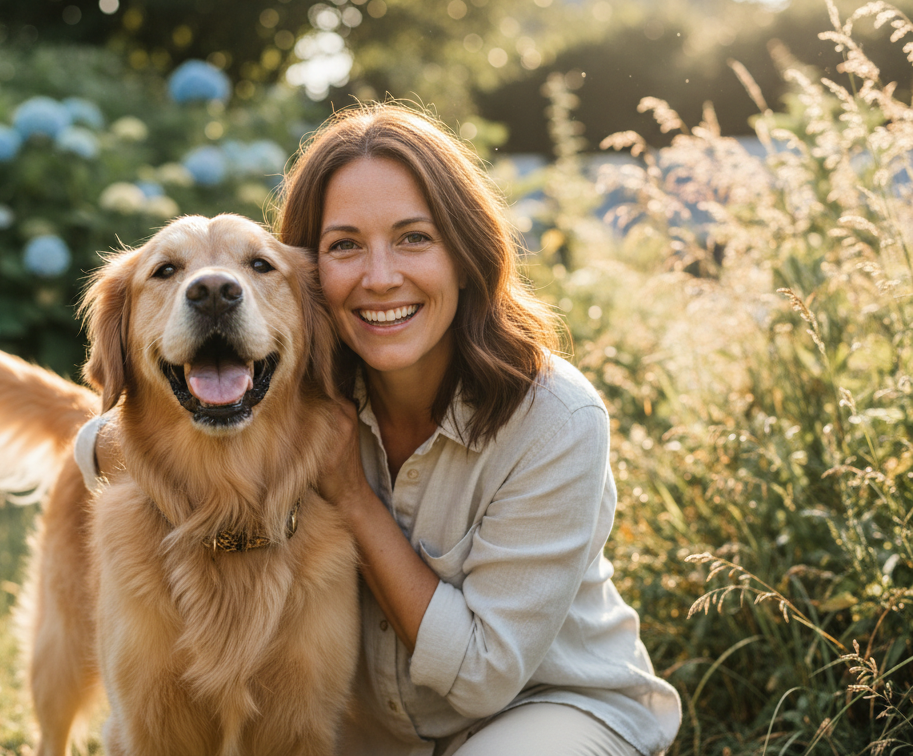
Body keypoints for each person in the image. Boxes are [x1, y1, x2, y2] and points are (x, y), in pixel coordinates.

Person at [79, 103, 681, 755]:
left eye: (414, 238)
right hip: (376, 738)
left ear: (465, 253)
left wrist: (351, 495)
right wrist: (137, 442)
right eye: (344, 245)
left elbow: (483, 676)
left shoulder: (556, 417)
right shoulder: (298, 390)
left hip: (547, 707)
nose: (381, 277)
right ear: (312, 285)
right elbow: (100, 440)